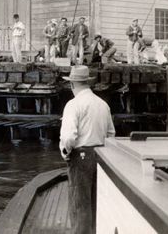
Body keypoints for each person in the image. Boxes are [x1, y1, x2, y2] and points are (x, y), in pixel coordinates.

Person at [60, 65, 115, 234]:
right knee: (97, 201)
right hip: (101, 154)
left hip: (81, 156)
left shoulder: (73, 105)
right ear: (87, 82)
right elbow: (111, 134)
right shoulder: (103, 104)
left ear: (72, 84)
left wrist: (66, 152)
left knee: (80, 204)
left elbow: (69, 137)